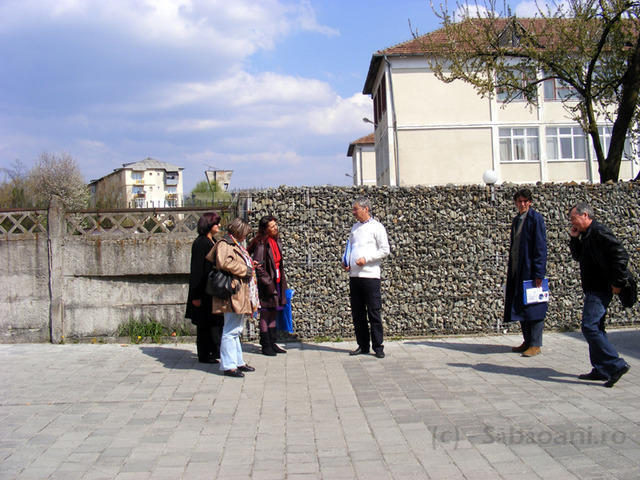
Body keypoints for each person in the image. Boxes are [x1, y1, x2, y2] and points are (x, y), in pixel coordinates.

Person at [569, 202, 631, 387]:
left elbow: (621, 255)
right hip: (593, 288)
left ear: (586, 215)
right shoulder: (586, 235)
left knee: (589, 326)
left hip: (600, 289)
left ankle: (615, 364)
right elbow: (578, 256)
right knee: (598, 327)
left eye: (574, 218)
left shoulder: (599, 232)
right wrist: (574, 238)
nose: (572, 222)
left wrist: (617, 283)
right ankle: (601, 369)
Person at [206, 218, 260, 378]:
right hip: (231, 292)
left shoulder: (234, 244)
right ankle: (229, 365)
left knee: (236, 329)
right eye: (244, 233)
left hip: (238, 292)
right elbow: (224, 263)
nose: (246, 236)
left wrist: (249, 265)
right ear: (238, 231)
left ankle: (238, 361)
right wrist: (246, 269)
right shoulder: (225, 244)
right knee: (230, 329)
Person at [343, 197, 390, 358]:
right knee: (358, 313)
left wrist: (367, 259)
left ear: (366, 209)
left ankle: (378, 346)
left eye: (356, 209)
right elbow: (351, 247)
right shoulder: (354, 228)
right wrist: (348, 262)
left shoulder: (377, 227)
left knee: (374, 312)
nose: (353, 212)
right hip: (354, 276)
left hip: (370, 276)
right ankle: (362, 345)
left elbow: (385, 250)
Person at [504, 188, 548, 357]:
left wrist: (539, 273)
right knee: (522, 305)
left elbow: (540, 247)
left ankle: (536, 344)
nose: (522, 204)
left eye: (525, 201)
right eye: (519, 201)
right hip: (518, 269)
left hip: (530, 271)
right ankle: (527, 341)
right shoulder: (517, 220)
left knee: (534, 306)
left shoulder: (535, 219)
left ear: (530, 202)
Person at [185, 212, 224, 363]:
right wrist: (196, 296)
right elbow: (197, 271)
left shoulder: (212, 240)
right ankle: (204, 353)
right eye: (216, 223)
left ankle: (213, 351)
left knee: (212, 323)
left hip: (210, 289)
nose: (219, 226)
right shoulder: (201, 243)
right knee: (204, 325)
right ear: (208, 225)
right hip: (202, 290)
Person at [248, 215, 289, 356]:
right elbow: (258, 266)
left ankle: (272, 342)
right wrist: (268, 283)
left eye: (275, 225)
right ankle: (265, 344)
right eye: (272, 226)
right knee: (265, 313)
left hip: (276, 280)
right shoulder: (261, 243)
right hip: (267, 283)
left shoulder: (276, 240)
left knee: (274, 311)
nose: (275, 228)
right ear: (265, 229)